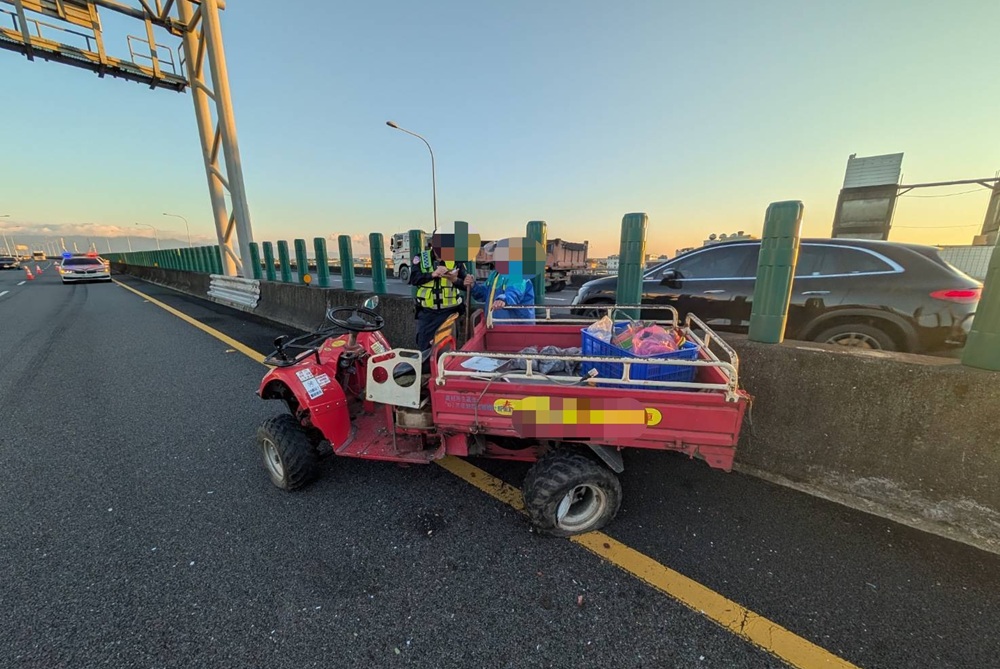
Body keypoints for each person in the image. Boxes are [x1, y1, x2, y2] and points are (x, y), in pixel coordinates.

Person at [409, 246, 475, 350]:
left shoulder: (455, 260)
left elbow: (465, 285)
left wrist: (455, 279)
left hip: (449, 314)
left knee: (447, 348)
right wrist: (432, 274)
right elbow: (413, 279)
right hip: (427, 313)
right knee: (424, 346)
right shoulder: (421, 258)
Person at [471, 269, 536, 323]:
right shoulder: (495, 274)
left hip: (516, 330)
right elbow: (484, 294)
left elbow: (514, 292)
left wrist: (503, 299)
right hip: (496, 327)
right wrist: (473, 286)